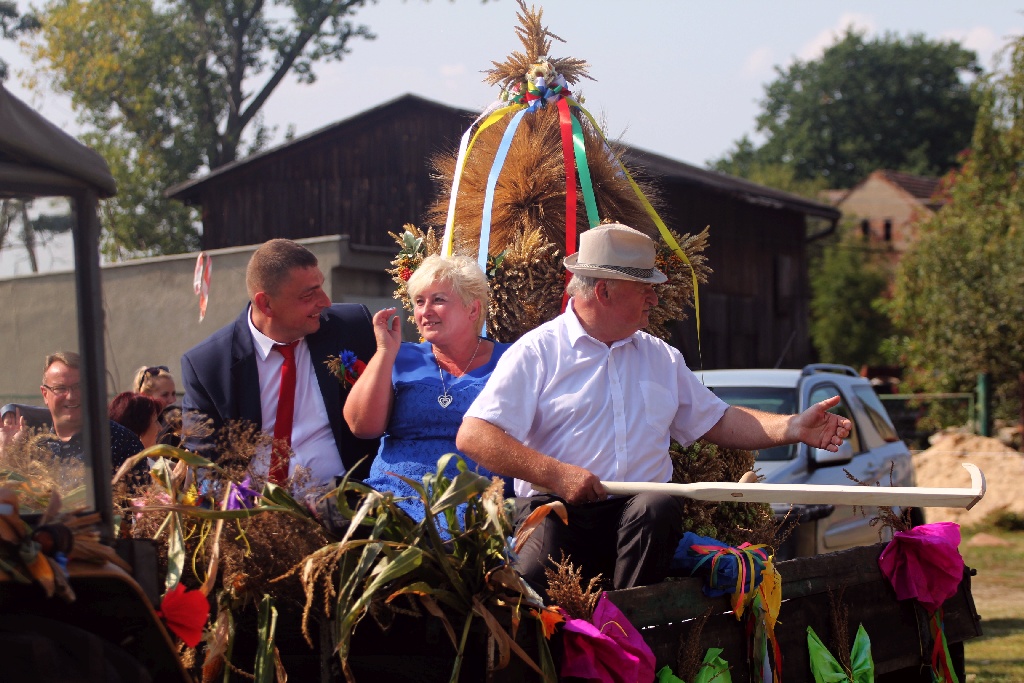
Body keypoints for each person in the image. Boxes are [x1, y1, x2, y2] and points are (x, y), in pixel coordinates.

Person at [456, 223, 852, 593]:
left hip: (644, 519)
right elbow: (474, 435)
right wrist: (555, 473)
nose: (655, 297)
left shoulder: (661, 357)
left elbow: (720, 418)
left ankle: (629, 629)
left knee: (658, 503)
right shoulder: (538, 352)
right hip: (557, 511)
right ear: (604, 291)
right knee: (528, 587)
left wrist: (795, 427)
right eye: (643, 286)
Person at [180, 238, 378, 487]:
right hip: (256, 514)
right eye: (308, 295)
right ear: (266, 303)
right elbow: (205, 467)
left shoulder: (351, 327)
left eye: (321, 287)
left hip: (348, 507)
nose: (325, 302)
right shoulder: (207, 366)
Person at [344, 255, 511, 526]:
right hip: (392, 499)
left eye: (439, 300)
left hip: (474, 501)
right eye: (419, 302)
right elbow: (362, 427)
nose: (425, 311)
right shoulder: (399, 355)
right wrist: (385, 351)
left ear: (472, 309)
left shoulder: (511, 360)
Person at [38, 352, 145, 470]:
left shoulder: (119, 442)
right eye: (60, 388)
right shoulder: (37, 449)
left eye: (79, 387)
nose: (71, 396)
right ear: (45, 394)